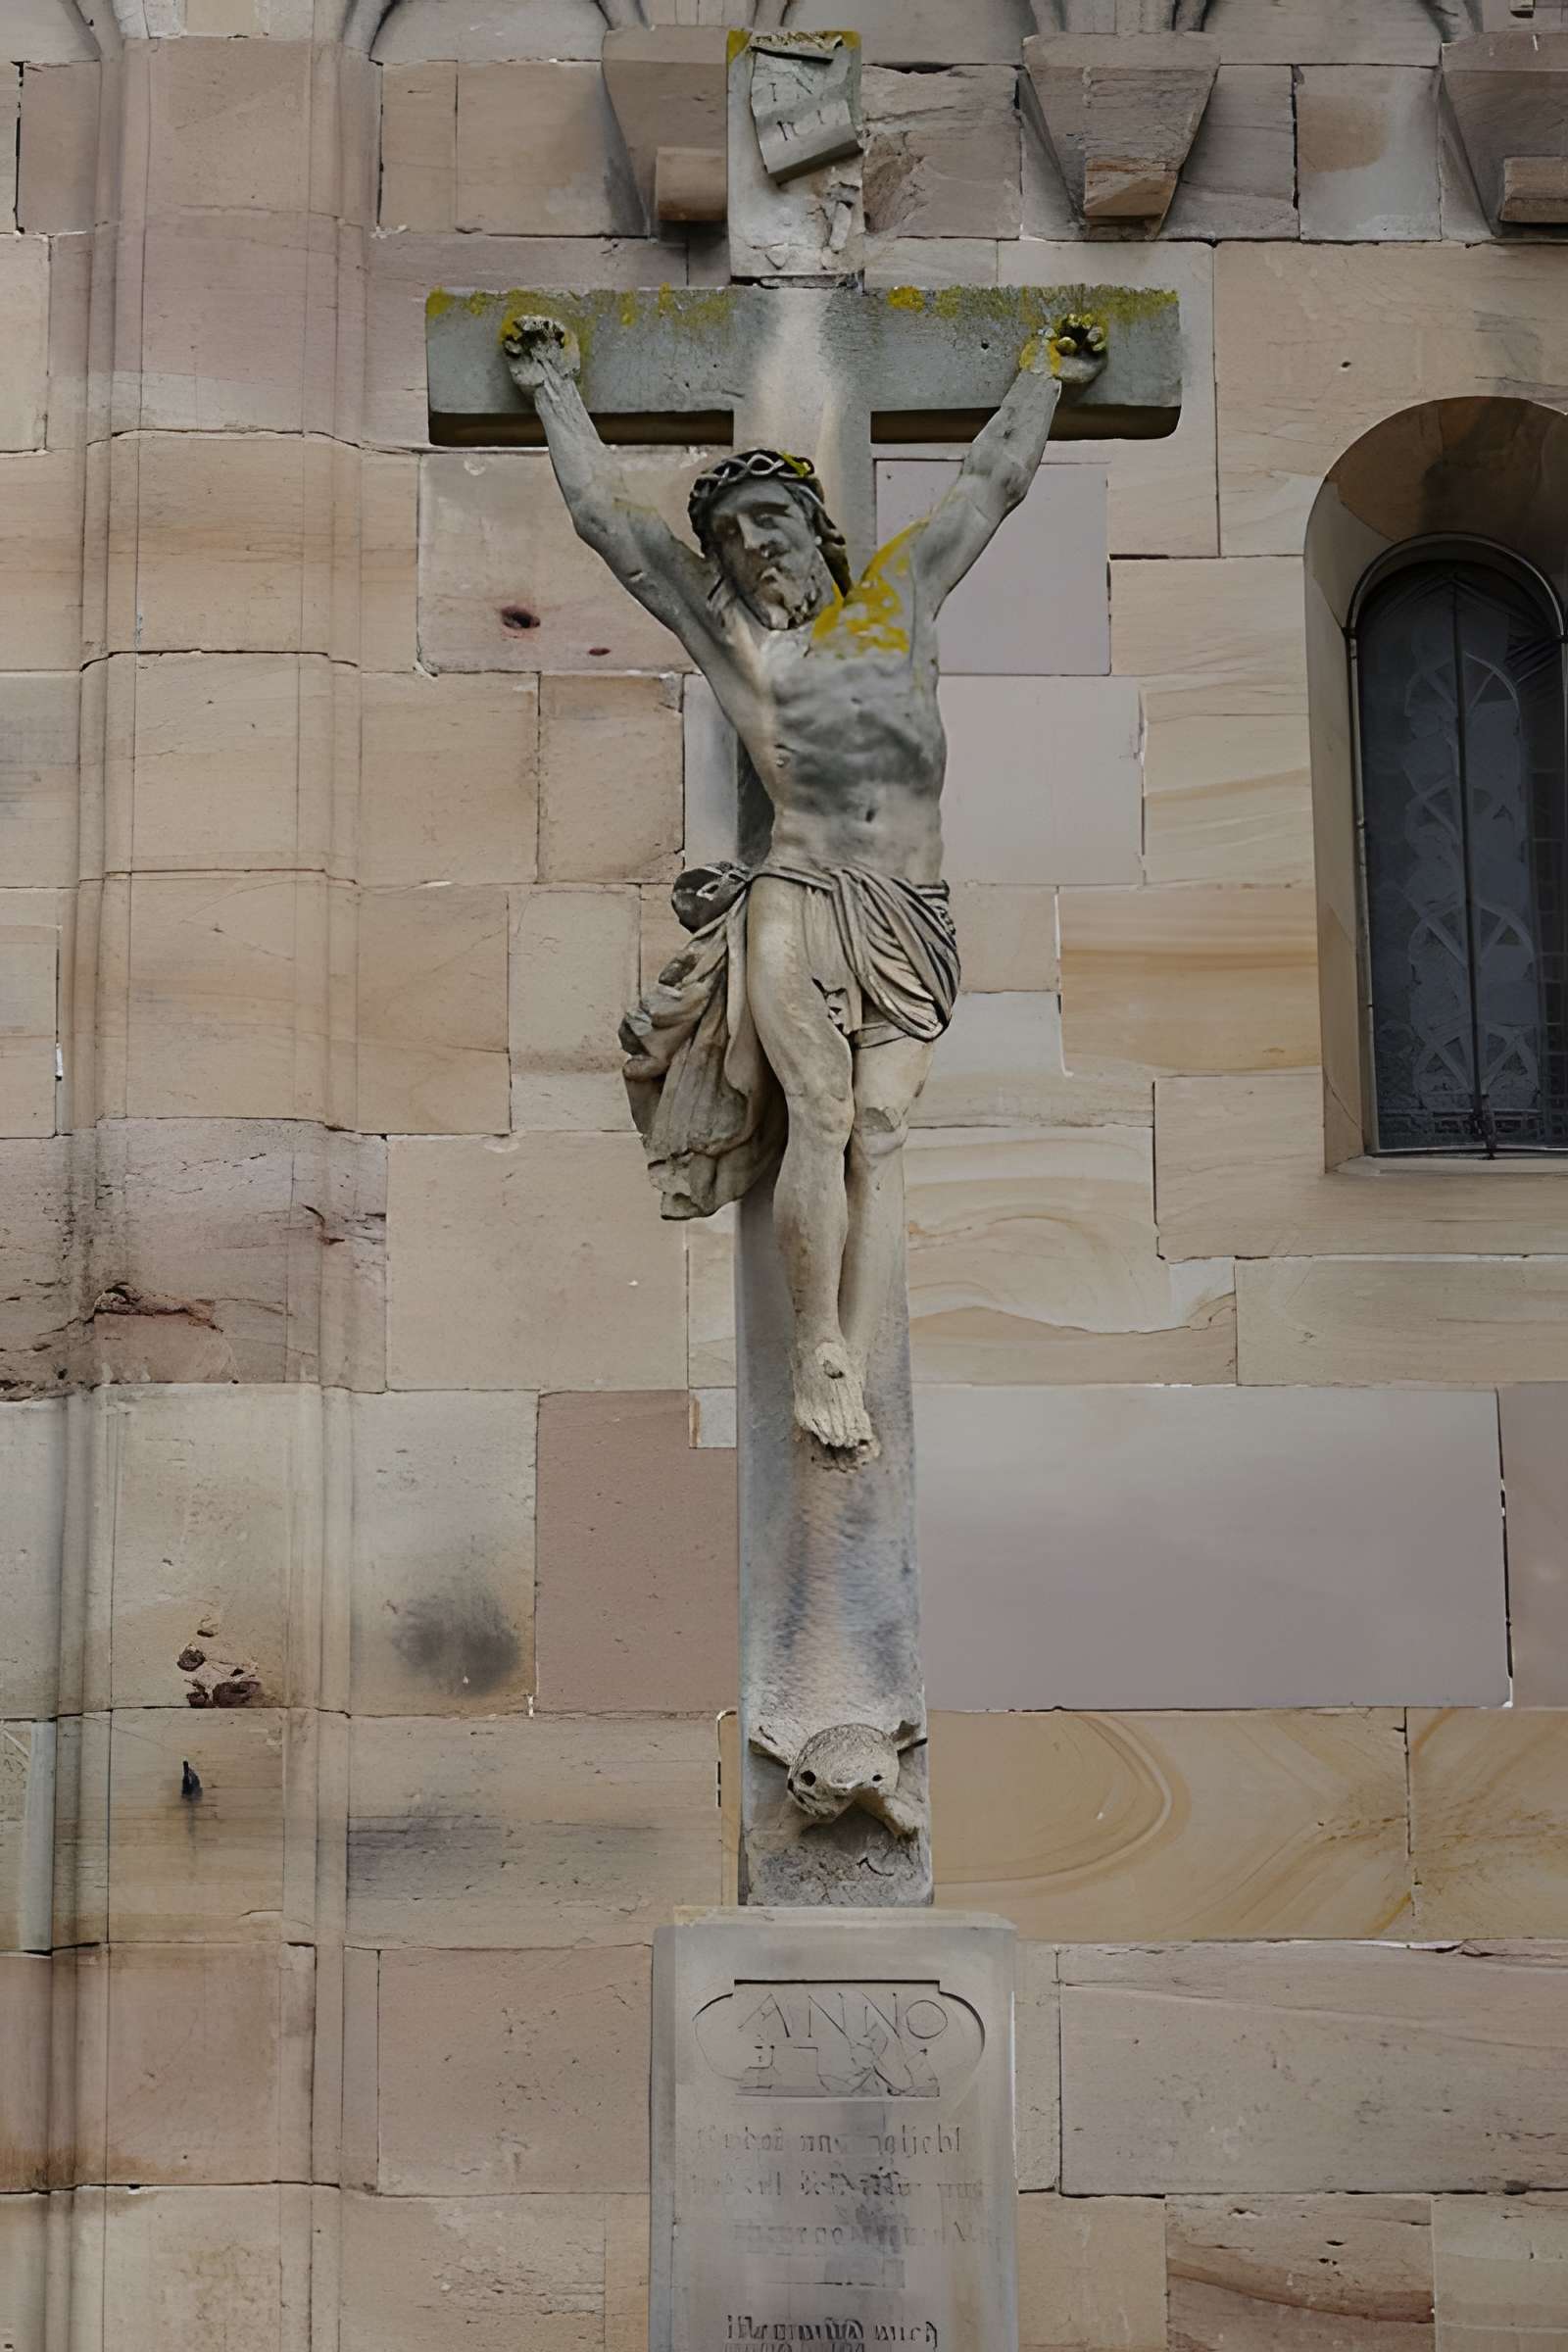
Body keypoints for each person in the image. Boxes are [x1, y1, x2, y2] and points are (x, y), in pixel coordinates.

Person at [506, 307, 1107, 1458]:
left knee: (881, 1127)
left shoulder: (902, 597)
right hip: (798, 893)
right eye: (731, 536)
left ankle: (856, 1347)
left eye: (769, 520)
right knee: (826, 1114)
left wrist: (1044, 372)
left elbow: (992, 480)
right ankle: (818, 1348)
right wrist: (551, 387)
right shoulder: (739, 644)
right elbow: (606, 523)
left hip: (911, 918)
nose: (752, 548)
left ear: (818, 529)